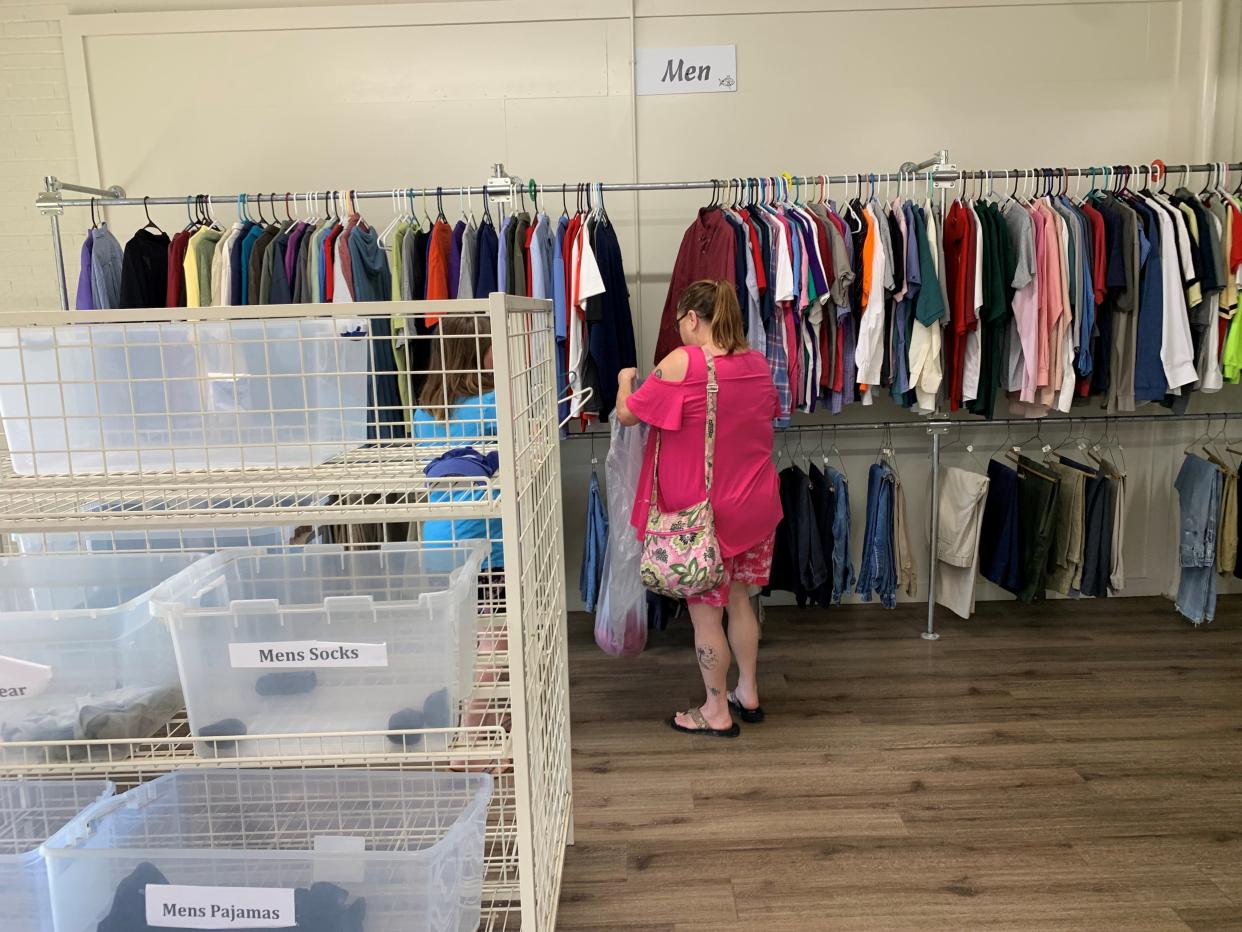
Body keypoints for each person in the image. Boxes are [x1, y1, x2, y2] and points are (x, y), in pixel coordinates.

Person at [616, 280, 781, 738]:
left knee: (706, 614)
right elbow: (767, 415)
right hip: (757, 507)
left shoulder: (682, 362)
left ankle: (715, 710)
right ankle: (746, 692)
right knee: (743, 602)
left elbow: (630, 413)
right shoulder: (757, 364)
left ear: (692, 318)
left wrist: (624, 379)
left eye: (679, 323)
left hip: (705, 520)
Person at [413, 316, 505, 741]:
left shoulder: (422, 411)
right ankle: (473, 732)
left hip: (437, 542)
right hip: (484, 547)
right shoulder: (490, 405)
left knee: (462, 637)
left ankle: (468, 719)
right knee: (494, 641)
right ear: (474, 351)